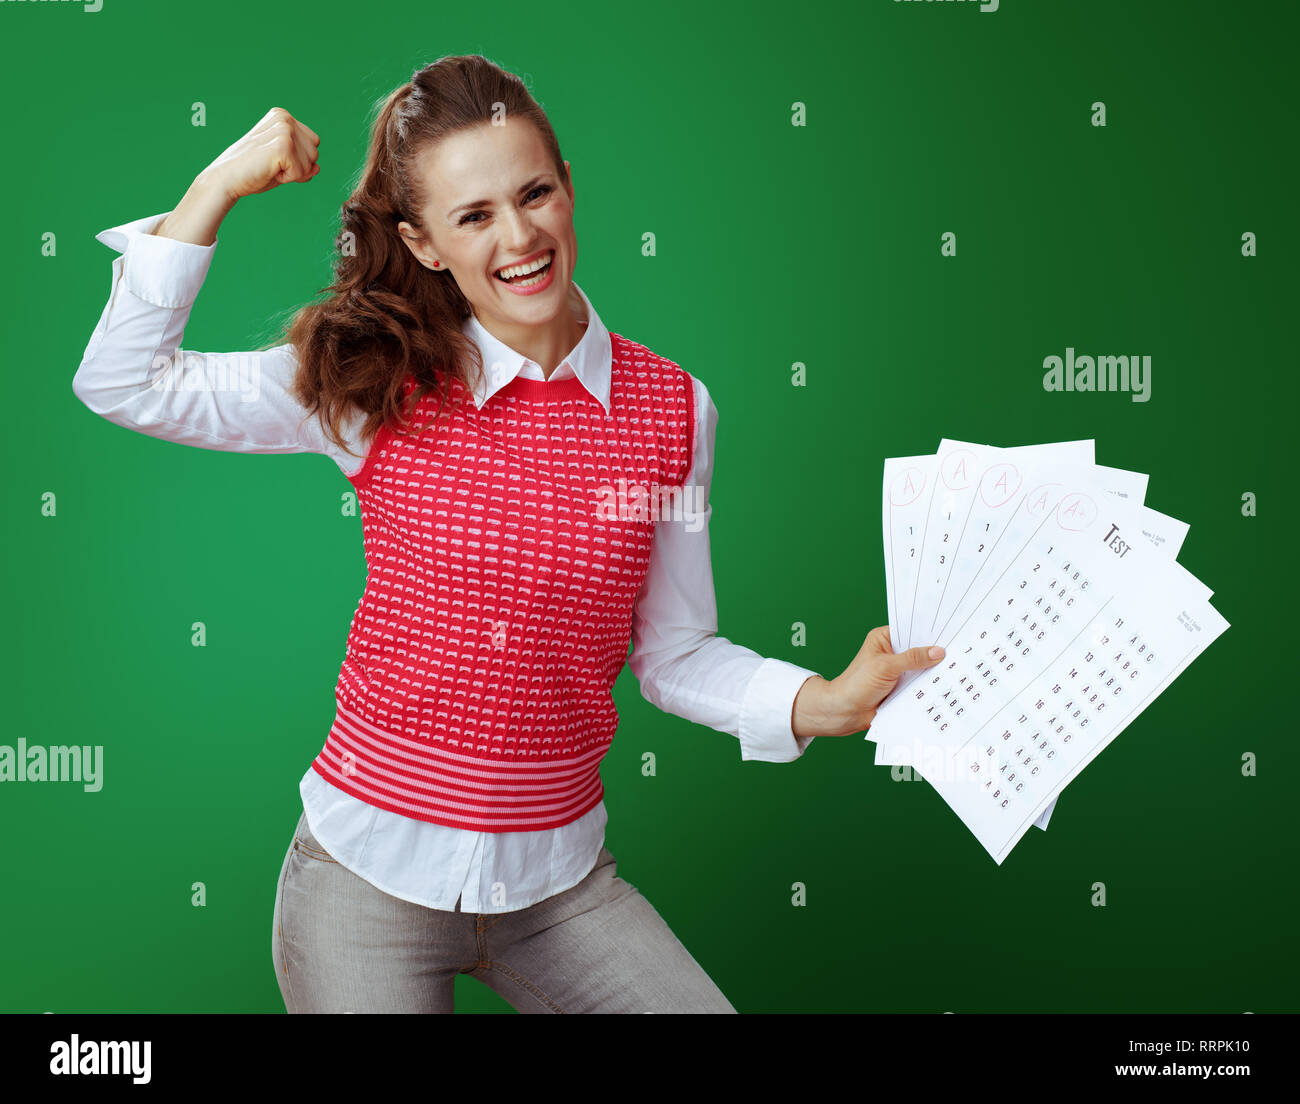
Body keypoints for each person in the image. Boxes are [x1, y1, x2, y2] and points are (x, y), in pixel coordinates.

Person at [72, 54, 945, 1014]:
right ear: (426, 242)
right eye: (474, 215)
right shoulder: (374, 382)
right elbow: (126, 383)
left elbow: (674, 650)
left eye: (535, 194)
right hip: (363, 881)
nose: (520, 236)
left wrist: (819, 702)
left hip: (559, 890)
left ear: (570, 188)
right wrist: (219, 184)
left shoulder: (672, 409)